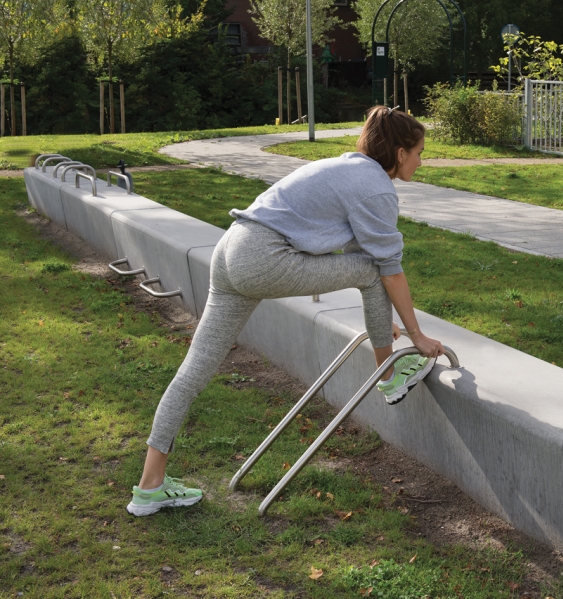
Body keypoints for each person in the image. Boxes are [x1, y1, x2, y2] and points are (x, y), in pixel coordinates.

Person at [126, 106, 445, 517]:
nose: (421, 161)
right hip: (262, 257)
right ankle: (389, 376)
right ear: (400, 153)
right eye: (419, 151)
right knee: (373, 270)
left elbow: (359, 253)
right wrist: (417, 336)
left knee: (193, 372)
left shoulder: (344, 168)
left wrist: (387, 322)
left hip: (230, 251)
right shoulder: (377, 187)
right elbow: (386, 269)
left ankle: (149, 486)